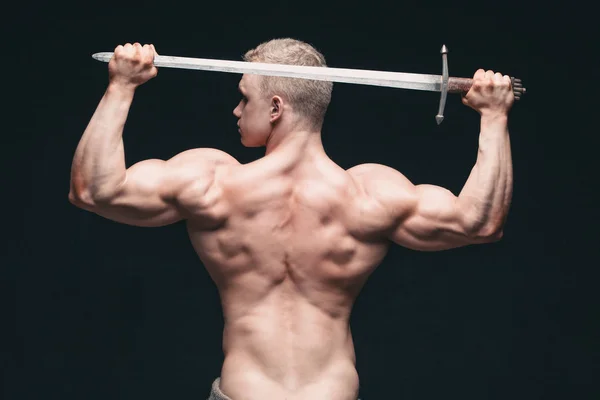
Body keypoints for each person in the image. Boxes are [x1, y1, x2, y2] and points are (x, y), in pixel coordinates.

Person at [69, 39, 514, 400]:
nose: (237, 111)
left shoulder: (214, 184)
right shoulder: (368, 195)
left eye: (245, 99)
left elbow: (94, 190)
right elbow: (479, 222)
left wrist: (121, 87)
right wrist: (493, 117)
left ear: (276, 108)